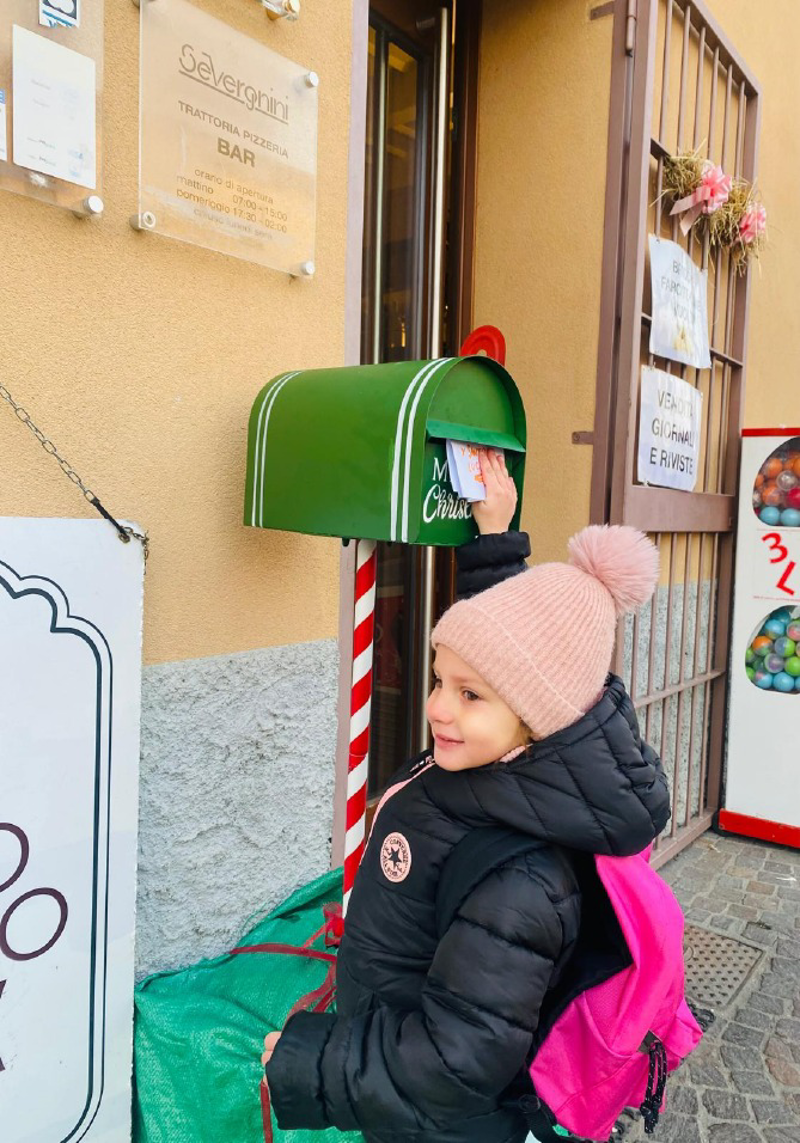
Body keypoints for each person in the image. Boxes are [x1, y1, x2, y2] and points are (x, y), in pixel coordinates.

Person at [262, 450, 671, 1143]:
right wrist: (495, 539)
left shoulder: (520, 882)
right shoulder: (518, 756)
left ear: (534, 718)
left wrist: (310, 1061)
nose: (436, 708)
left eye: (468, 694)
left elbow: (455, 1062)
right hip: (392, 1058)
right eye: (437, 679)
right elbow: (515, 656)